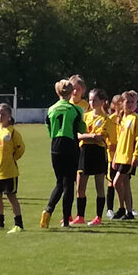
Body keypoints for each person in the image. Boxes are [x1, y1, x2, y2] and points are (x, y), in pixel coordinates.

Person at [40, 79, 87, 228]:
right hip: (70, 146)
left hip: (55, 147)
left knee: (60, 182)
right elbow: (82, 129)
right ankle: (66, 220)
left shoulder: (51, 109)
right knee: (69, 185)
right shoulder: (76, 110)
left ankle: (48, 210)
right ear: (71, 92)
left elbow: (49, 128)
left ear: (57, 92)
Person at [72, 88, 114, 226]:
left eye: (95, 99)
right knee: (80, 187)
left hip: (98, 153)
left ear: (102, 101)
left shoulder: (106, 119)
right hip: (84, 152)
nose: (92, 102)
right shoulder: (85, 116)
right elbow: (78, 135)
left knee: (99, 186)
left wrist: (91, 136)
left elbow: (101, 138)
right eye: (90, 99)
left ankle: (98, 217)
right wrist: (92, 136)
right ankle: (80, 216)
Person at [0, 103, 26, 234]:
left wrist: (13, 159)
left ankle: (18, 224)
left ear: (9, 116)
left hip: (9, 171)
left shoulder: (13, 131)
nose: (0, 116)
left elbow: (20, 148)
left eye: (3, 114)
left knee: (11, 196)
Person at [110, 92, 138, 220]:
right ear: (121, 103)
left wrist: (136, 155)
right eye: (127, 102)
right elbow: (119, 140)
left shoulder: (135, 118)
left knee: (116, 182)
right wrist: (114, 157)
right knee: (125, 184)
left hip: (128, 157)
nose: (130, 104)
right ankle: (127, 211)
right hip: (120, 156)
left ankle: (122, 208)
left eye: (131, 102)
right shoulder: (121, 119)